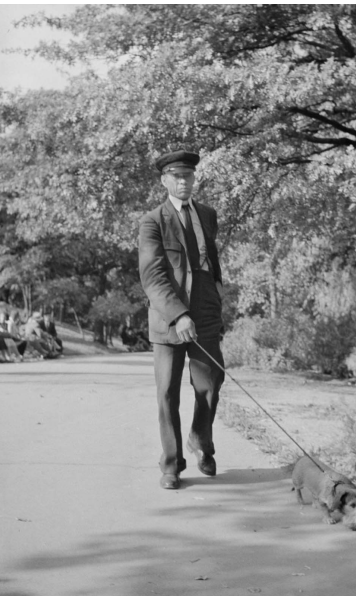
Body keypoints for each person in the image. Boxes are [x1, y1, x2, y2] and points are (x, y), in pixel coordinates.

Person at [138, 150, 227, 490]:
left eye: (188, 176)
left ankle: (200, 440)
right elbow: (153, 277)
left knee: (211, 382)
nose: (183, 182)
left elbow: (209, 257)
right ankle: (172, 464)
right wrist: (179, 315)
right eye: (176, 176)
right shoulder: (152, 221)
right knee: (168, 392)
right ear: (164, 180)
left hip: (205, 306)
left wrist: (216, 290)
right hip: (168, 314)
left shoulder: (207, 214)